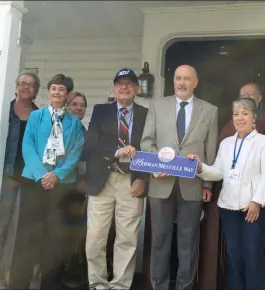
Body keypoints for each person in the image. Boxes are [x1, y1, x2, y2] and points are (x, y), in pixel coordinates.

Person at [140, 64, 218, 290]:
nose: (182, 83)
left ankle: (185, 286)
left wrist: (208, 185)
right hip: (161, 182)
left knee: (188, 242)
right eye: (178, 78)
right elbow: (147, 141)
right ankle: (158, 286)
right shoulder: (157, 106)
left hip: (192, 185)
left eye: (187, 79)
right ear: (173, 81)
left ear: (195, 82)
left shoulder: (209, 110)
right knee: (159, 240)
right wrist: (155, 164)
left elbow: (209, 151)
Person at [188, 98, 265, 290]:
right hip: (228, 208)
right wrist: (200, 166)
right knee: (234, 256)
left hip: (253, 209)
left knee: (253, 256)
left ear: (254, 117)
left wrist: (256, 202)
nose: (240, 118)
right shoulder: (227, 143)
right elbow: (218, 171)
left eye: (245, 113)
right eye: (236, 114)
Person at [8, 74, 84, 290]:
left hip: (62, 185)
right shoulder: (36, 117)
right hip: (34, 182)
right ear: (48, 91)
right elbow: (28, 147)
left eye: (62, 89)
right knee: (28, 237)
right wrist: (43, 175)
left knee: (55, 240)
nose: (57, 92)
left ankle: (49, 285)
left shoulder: (75, 124)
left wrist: (57, 175)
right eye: (54, 88)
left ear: (68, 94)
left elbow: (75, 153)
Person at [83, 68, 148, 290]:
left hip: (131, 181)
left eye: (129, 83)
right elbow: (91, 142)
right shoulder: (100, 111)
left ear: (137, 89)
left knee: (127, 239)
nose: (124, 87)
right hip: (103, 180)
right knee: (95, 239)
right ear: (114, 87)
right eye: (120, 83)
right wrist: (117, 151)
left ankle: (121, 285)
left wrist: (143, 179)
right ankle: (98, 284)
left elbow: (149, 148)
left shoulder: (146, 114)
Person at [0, 70, 40, 284]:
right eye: (22, 83)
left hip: (27, 178)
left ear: (36, 90)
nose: (25, 87)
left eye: (30, 84)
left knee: (15, 229)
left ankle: (6, 272)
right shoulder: (4, 110)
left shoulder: (39, 116)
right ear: (15, 86)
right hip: (5, 175)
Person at [61, 91, 89, 289]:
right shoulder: (59, 128)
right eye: (75, 104)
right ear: (66, 106)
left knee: (76, 233)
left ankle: (73, 273)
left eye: (82, 105)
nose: (79, 108)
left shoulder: (83, 130)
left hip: (78, 189)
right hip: (61, 186)